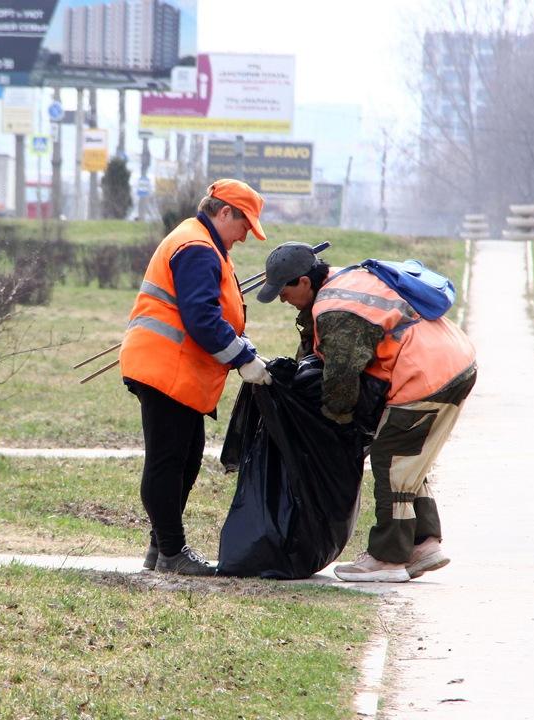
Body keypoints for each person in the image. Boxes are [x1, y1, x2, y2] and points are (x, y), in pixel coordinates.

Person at [255, 242, 477, 582]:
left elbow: (341, 378)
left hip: (427, 373)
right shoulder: (346, 279)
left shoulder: (335, 307)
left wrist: (336, 424)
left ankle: (387, 558)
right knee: (407, 457)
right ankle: (424, 544)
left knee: (392, 457)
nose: (282, 299)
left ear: (302, 282)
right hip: (452, 360)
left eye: (283, 291)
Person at [118, 179, 272, 576]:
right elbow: (202, 319)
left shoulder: (202, 243)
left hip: (174, 369)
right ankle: (171, 552)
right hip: (165, 368)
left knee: (183, 461)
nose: (244, 237)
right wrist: (243, 359)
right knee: (168, 462)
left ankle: (161, 550)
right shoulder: (198, 248)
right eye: (244, 226)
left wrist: (244, 347)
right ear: (224, 213)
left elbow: (214, 312)